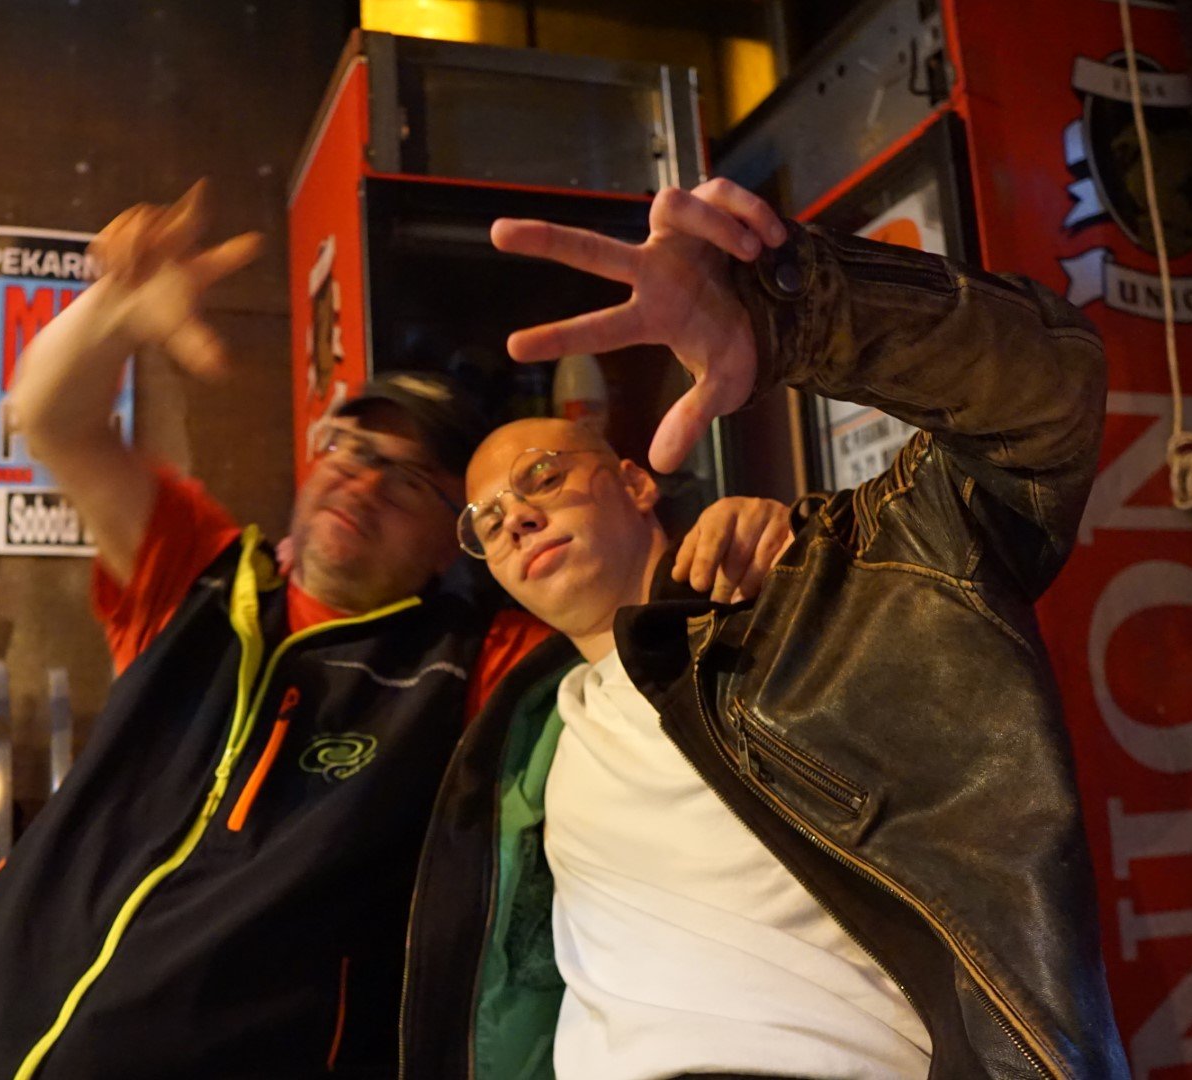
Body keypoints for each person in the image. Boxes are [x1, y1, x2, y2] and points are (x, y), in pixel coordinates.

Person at [0, 183, 793, 1080]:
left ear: (451, 544)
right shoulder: (201, 580)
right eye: (350, 451)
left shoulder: (470, 666)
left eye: (407, 480)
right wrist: (111, 312)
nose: (361, 483)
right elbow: (53, 417)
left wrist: (744, 540)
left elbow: (622, 610)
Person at [396, 179, 1131, 1080]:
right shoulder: (520, 734)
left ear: (636, 482)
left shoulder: (829, 594)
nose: (513, 517)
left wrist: (793, 317)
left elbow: (1048, 398)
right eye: (485, 521)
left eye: (542, 477)